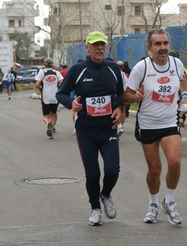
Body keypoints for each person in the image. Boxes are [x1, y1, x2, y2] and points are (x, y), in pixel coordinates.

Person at [123, 28, 187, 225]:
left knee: (175, 163)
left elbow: (182, 82)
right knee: (154, 168)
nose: (163, 48)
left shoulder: (176, 63)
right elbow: (125, 94)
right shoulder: (141, 68)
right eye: (158, 44)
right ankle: (153, 205)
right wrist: (135, 96)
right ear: (149, 47)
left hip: (169, 122)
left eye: (165, 44)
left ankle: (169, 202)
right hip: (148, 123)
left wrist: (184, 97)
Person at [56, 31, 124, 226]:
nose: (99, 48)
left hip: (108, 128)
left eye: (102, 44)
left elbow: (119, 93)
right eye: (95, 45)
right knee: (92, 173)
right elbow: (61, 94)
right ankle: (95, 208)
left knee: (112, 170)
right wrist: (71, 103)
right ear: (87, 48)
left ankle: (106, 194)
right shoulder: (78, 70)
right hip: (86, 130)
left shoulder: (113, 68)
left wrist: (119, 107)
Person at [35, 58, 64, 139]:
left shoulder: (42, 72)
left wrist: (41, 89)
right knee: (54, 113)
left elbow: (37, 84)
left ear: (44, 65)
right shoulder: (56, 72)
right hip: (55, 96)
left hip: (45, 96)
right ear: (52, 65)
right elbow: (62, 82)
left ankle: (48, 123)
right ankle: (51, 130)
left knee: (45, 115)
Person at [116, 60, 128, 139]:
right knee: (122, 110)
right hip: (122, 95)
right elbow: (127, 84)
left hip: (114, 95)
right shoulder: (124, 74)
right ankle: (120, 126)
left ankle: (118, 126)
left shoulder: (111, 73)